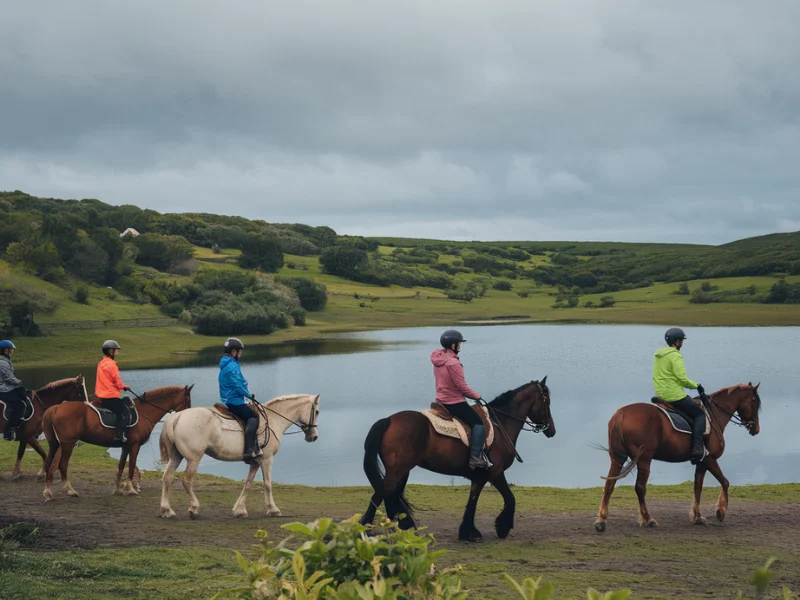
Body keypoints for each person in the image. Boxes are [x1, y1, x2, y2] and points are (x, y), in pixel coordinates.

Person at [431, 329, 491, 470]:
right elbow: (462, 387)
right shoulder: (453, 363)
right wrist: (478, 396)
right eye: (459, 344)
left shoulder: (438, 359)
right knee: (478, 423)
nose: (460, 346)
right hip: (454, 401)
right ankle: (475, 459)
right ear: (453, 345)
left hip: (441, 399)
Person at [653, 327, 708, 464]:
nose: (682, 344)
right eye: (682, 341)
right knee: (699, 415)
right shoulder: (675, 355)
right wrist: (697, 386)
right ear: (677, 341)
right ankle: (697, 449)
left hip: (661, 395)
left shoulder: (659, 355)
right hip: (674, 396)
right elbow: (682, 379)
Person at [218, 337, 262, 463]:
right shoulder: (232, 366)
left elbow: (240, 382)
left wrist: (246, 393)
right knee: (254, 416)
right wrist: (248, 395)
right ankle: (248, 450)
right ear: (233, 352)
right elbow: (238, 385)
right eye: (239, 351)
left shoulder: (227, 364)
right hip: (235, 402)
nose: (241, 353)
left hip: (231, 400)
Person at [95, 340, 132, 443]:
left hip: (101, 396)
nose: (117, 352)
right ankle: (119, 435)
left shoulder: (101, 363)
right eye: (116, 350)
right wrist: (124, 387)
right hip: (110, 396)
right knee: (124, 412)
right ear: (110, 351)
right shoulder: (112, 365)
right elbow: (117, 381)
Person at [0, 340, 29, 441]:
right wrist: (20, 382)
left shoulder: (4, 360)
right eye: (11, 350)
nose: (12, 352)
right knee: (21, 405)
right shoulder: (2, 362)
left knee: (24, 394)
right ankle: (10, 430)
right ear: (5, 350)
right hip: (3, 389)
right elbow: (8, 378)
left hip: (5, 387)